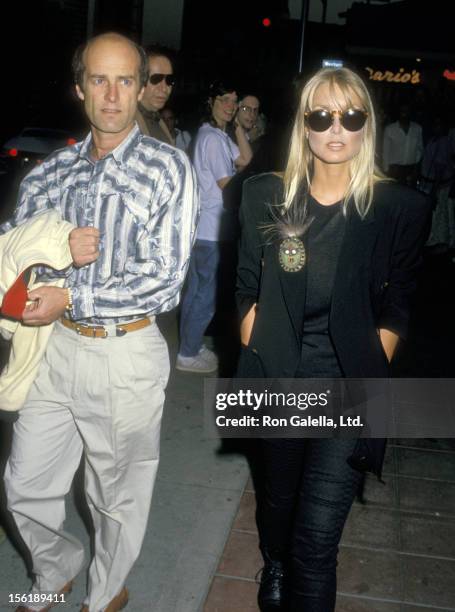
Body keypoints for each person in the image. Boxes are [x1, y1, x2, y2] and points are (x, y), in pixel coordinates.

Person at [2, 32, 198, 612]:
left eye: (124, 80)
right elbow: (18, 258)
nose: (111, 95)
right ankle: (55, 568)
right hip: (51, 350)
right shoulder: (49, 172)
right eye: (98, 79)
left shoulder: (168, 168)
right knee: (23, 486)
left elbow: (164, 279)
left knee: (115, 495)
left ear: (141, 89)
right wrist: (39, 281)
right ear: (79, 86)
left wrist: (72, 297)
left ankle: (107, 592)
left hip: (124, 353)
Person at [236, 67, 430, 611]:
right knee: (278, 503)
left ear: (368, 124)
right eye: (321, 115)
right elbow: (245, 291)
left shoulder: (399, 208)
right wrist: (267, 354)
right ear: (303, 124)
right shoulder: (265, 197)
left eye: (351, 115)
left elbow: (399, 302)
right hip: (281, 386)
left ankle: (293, 567)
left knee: (317, 543)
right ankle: (273, 561)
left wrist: (369, 359)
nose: (336, 127)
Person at [176, 79, 252, 373]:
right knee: (205, 295)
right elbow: (227, 185)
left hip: (206, 230)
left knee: (198, 291)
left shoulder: (218, 136)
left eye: (234, 101)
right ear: (211, 103)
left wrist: (239, 130)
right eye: (225, 100)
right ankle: (188, 352)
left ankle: (189, 346)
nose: (231, 106)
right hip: (211, 230)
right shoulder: (211, 139)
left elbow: (245, 158)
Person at [136, 44, 175, 144]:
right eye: (156, 79)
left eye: (169, 80)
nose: (164, 88)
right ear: (141, 79)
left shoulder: (157, 119)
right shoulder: (127, 124)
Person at [382, 103, 423, 186]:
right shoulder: (390, 129)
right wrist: (386, 171)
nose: (404, 113)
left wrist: (415, 165)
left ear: (410, 112)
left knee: (409, 196)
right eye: (402, 111)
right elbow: (385, 152)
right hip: (395, 170)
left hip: (410, 170)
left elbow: (420, 149)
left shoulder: (417, 129)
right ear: (398, 112)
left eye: (407, 111)